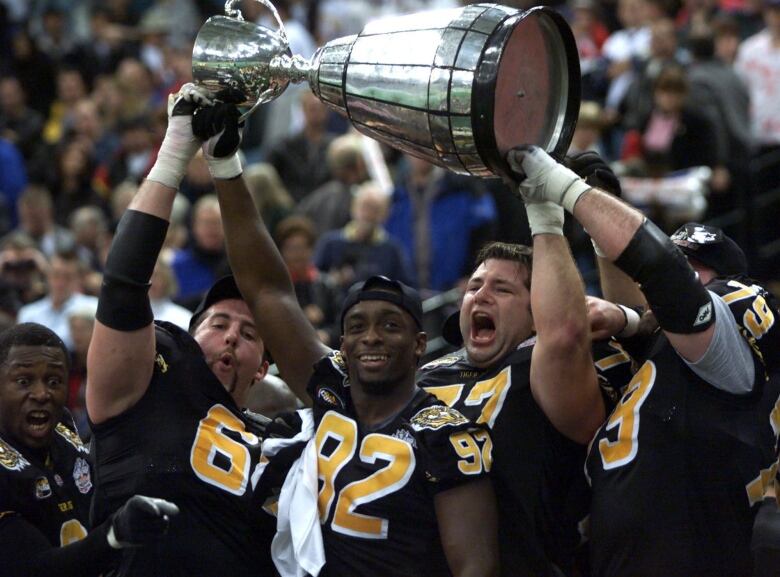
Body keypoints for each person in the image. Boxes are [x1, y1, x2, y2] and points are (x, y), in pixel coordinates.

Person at [191, 98, 500, 576]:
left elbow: (475, 568)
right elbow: (268, 289)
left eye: (390, 326)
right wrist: (225, 162)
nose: (371, 338)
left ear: (419, 346)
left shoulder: (448, 432)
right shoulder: (330, 389)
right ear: (342, 342)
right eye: (357, 327)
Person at [507, 145, 780, 577]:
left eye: (692, 266)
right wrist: (603, 241)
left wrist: (566, 190)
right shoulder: (670, 354)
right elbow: (645, 299)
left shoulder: (731, 338)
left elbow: (667, 283)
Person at [85, 84, 282, 577]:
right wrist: (175, 150)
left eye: (250, 332)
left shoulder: (275, 437)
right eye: (219, 323)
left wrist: (225, 165)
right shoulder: (153, 378)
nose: (233, 335)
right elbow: (123, 285)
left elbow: (281, 301)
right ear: (192, 336)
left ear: (263, 368)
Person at [417, 233, 607, 573]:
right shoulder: (427, 375)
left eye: (502, 289)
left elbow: (564, 335)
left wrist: (545, 217)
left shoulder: (549, 367)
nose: (481, 296)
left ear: (538, 316)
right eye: (474, 287)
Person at [0, 322, 179, 577]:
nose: (41, 394)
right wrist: (114, 535)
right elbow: (32, 568)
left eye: (54, 381)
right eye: (23, 381)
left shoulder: (61, 423)